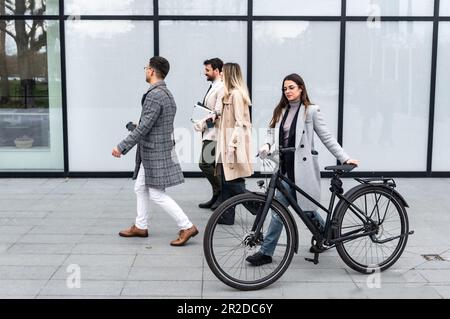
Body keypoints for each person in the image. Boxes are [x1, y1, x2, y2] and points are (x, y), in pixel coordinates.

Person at [246, 73, 359, 266]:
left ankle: (271, 250)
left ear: (301, 88)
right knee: (290, 210)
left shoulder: (311, 111)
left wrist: (345, 158)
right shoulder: (280, 110)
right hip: (284, 167)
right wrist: (266, 146)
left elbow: (327, 137)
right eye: (285, 88)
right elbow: (271, 133)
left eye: (291, 87)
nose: (287, 91)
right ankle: (324, 236)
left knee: (296, 209)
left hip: (302, 167)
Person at [112, 56, 198, 246]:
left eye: (146, 68)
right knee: (140, 188)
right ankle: (140, 226)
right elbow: (153, 124)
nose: (145, 71)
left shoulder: (155, 95)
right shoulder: (166, 93)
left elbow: (144, 128)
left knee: (157, 193)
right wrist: (140, 125)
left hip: (154, 152)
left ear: (151, 71)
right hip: (157, 149)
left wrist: (121, 146)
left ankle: (187, 226)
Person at [215, 62, 253, 225]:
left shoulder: (236, 95)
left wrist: (232, 145)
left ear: (229, 74)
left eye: (223, 72)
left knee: (234, 183)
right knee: (226, 180)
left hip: (232, 144)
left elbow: (240, 122)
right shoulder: (228, 94)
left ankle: (259, 207)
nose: (221, 74)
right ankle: (227, 216)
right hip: (225, 143)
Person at [193, 58, 224, 210]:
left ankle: (223, 193)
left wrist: (201, 123)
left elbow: (217, 113)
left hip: (214, 133)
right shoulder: (214, 86)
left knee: (204, 163)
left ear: (217, 71)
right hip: (209, 132)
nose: (205, 73)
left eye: (207, 70)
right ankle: (216, 196)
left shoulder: (221, 87)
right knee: (211, 165)